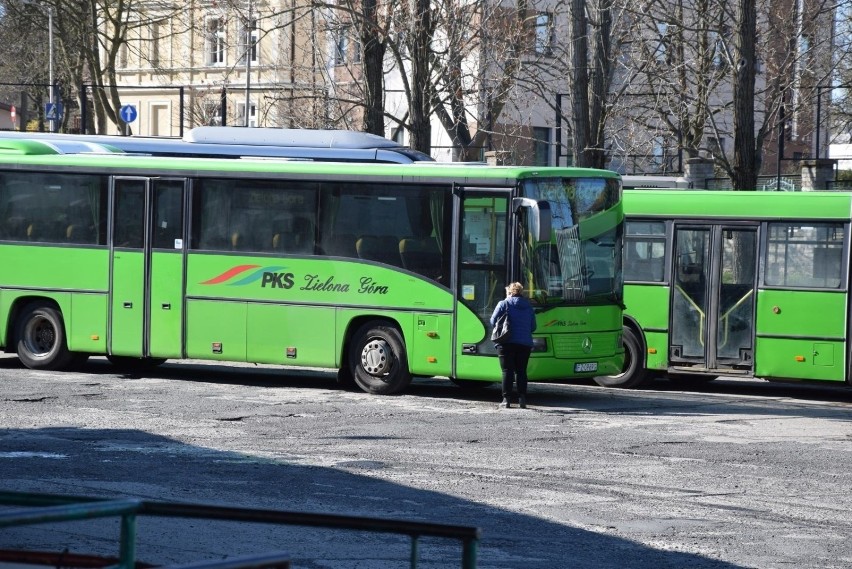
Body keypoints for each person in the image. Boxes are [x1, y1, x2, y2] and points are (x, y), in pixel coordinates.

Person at [490, 282, 536, 409]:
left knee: (507, 371)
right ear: (521, 292)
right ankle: (522, 399)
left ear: (509, 292)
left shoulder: (503, 303)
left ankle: (506, 400)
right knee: (521, 371)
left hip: (506, 342)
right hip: (525, 344)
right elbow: (533, 327)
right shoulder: (528, 306)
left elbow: (493, 321)